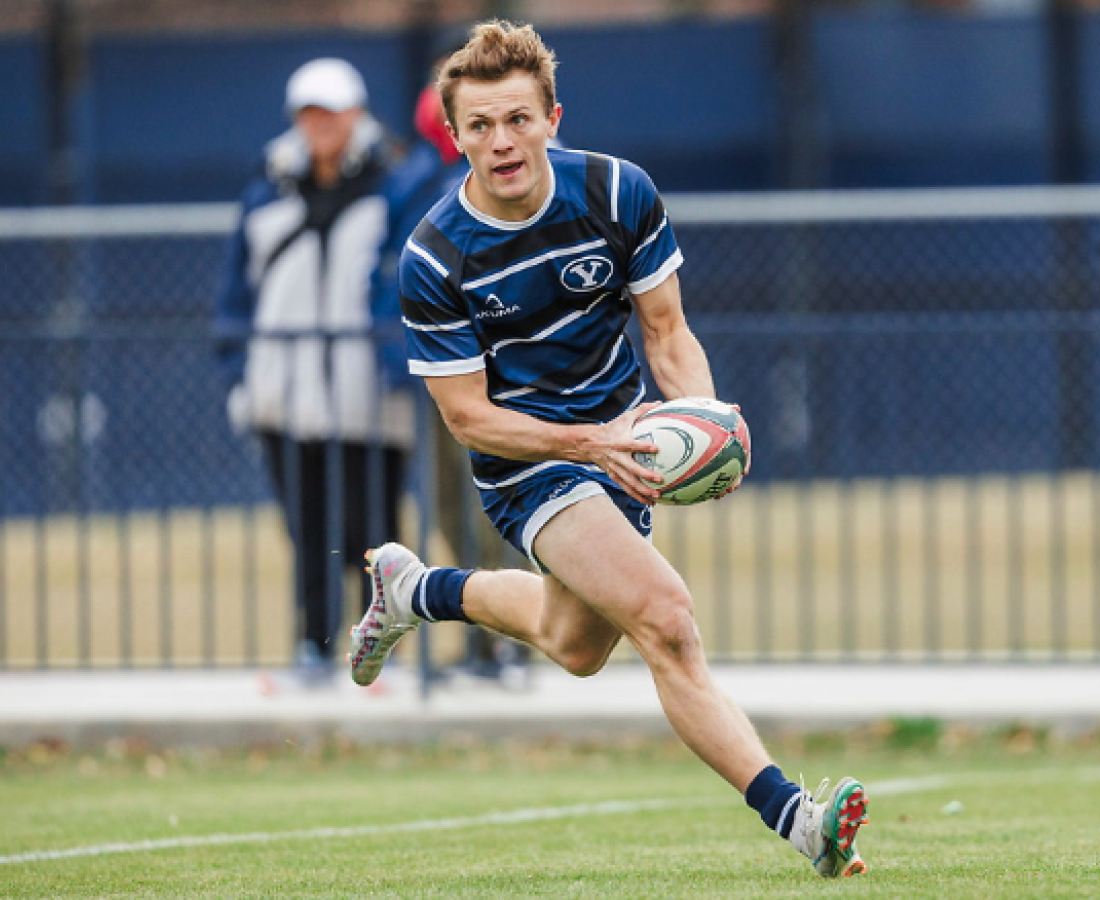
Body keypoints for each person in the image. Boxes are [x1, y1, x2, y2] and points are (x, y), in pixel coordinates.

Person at [346, 21, 870, 877]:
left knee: (576, 645)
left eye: (518, 119)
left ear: (553, 119)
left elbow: (667, 332)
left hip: (623, 439)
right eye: (480, 125)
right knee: (666, 620)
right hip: (529, 464)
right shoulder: (434, 256)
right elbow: (469, 419)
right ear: (456, 137)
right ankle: (803, 822)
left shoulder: (618, 193)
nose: (502, 141)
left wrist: (703, 423)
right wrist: (591, 445)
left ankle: (417, 591)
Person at [216, 57, 410, 681]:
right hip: (284, 387)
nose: (319, 124)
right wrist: (241, 376)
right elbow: (235, 296)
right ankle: (314, 644)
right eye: (308, 113)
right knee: (307, 528)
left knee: (373, 528)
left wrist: (398, 365)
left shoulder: (395, 187)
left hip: (367, 391)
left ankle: (380, 651)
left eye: (330, 111)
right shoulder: (266, 191)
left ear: (356, 113)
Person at [370, 38, 530, 682]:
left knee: (504, 504)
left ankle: (513, 641)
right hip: (439, 366)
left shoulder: (515, 169)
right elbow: (392, 271)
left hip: (502, 370)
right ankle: (490, 640)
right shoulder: (416, 178)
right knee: (448, 504)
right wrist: (395, 350)